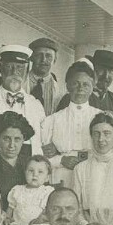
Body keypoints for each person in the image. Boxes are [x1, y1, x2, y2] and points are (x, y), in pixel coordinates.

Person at [41, 59, 101, 187]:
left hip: (93, 174)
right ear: (67, 86)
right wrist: (61, 160)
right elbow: (41, 158)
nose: (80, 88)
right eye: (76, 83)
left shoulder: (101, 118)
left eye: (86, 84)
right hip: (62, 176)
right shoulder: (52, 120)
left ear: (92, 87)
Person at [0, 44, 46, 156]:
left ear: (26, 71)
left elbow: (42, 144)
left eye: (20, 68)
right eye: (9, 67)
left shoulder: (36, 106)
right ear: (0, 68)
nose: (14, 72)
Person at [0, 111, 36, 210]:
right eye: (6, 139)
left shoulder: (31, 164)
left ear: (23, 139)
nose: (12, 145)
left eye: (17, 139)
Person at [55, 50, 113, 114]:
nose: (106, 76)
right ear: (92, 70)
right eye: (101, 69)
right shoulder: (70, 98)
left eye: (110, 71)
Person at [2, 155, 54, 225]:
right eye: (31, 171)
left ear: (47, 177)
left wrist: (38, 220)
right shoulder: (17, 190)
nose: (35, 174)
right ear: (25, 172)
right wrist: (7, 218)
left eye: (40, 172)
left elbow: (47, 211)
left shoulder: (46, 192)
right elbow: (11, 208)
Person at [26, 37, 65, 115]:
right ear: (31, 57)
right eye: (39, 55)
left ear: (55, 60)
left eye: (48, 56)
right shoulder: (21, 82)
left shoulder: (61, 90)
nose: (43, 60)